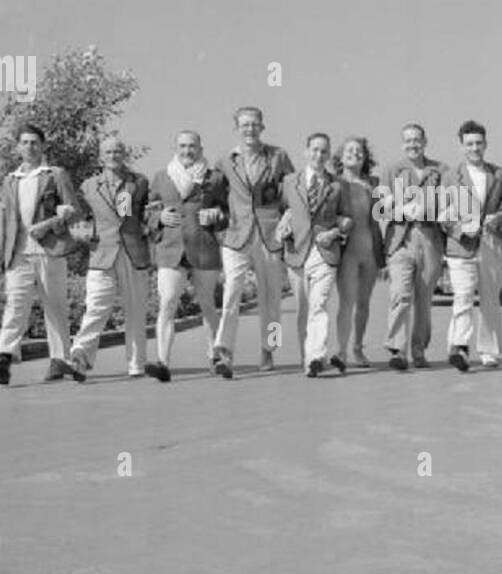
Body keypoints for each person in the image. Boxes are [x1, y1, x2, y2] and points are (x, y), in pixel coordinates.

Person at [0, 122, 79, 386]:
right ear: (17, 148)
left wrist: (48, 224)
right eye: (24, 142)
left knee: (54, 306)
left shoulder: (55, 175)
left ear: (43, 146)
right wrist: (6, 254)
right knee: (16, 303)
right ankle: (3, 358)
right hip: (19, 253)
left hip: (50, 250)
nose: (29, 147)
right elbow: (9, 221)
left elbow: (75, 210)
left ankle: (60, 361)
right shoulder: (9, 180)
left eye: (34, 142)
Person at [213, 107, 295, 378]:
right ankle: (224, 351)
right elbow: (214, 195)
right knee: (231, 293)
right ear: (236, 127)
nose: (250, 129)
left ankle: (268, 350)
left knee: (271, 297)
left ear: (263, 127)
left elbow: (293, 192)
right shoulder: (225, 160)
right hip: (236, 235)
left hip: (269, 234)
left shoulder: (278, 156)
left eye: (255, 124)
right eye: (245, 125)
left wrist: (288, 217)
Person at [144, 130, 229, 382]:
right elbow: (144, 212)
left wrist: (217, 216)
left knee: (206, 303)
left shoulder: (214, 178)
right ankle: (162, 362)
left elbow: (227, 212)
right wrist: (158, 218)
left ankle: (216, 356)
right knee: (167, 302)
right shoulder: (161, 177)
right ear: (175, 148)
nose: (187, 151)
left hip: (203, 247)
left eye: (192, 146)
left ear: (200, 148)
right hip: (170, 249)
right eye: (182, 146)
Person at [66, 136, 153, 379]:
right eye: (109, 152)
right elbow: (77, 216)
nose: (113, 155)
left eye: (118, 151)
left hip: (133, 252)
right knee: (96, 306)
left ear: (124, 154)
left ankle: (136, 364)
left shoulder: (140, 182)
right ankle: (80, 356)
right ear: (100, 157)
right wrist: (81, 230)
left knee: (135, 310)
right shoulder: (88, 186)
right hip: (101, 253)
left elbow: (148, 213)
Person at [275, 133, 352, 378]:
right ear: (306, 152)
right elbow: (282, 209)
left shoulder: (338, 185)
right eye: (315, 150)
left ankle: (316, 356)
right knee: (303, 310)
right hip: (297, 251)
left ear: (329, 155)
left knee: (319, 305)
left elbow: (348, 219)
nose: (319, 155)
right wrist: (284, 223)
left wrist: (335, 232)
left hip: (325, 252)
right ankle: (305, 357)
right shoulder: (289, 181)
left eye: (324, 151)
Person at [440, 120, 502, 371]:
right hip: (461, 247)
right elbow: (442, 215)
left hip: (491, 245)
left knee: (491, 299)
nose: (475, 148)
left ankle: (489, 350)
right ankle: (459, 346)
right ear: (461, 147)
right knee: (463, 296)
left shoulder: (499, 174)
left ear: (486, 144)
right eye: (469, 144)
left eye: (479, 143)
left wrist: (501, 216)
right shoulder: (450, 176)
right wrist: (461, 229)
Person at [378, 123, 446, 370]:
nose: (412, 144)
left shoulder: (439, 170)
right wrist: (400, 208)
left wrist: (431, 207)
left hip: (429, 237)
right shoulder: (392, 170)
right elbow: (379, 206)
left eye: (417, 140)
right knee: (400, 295)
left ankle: (418, 351)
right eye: (407, 140)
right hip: (401, 239)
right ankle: (397, 350)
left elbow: (451, 202)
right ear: (402, 143)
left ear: (425, 141)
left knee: (424, 299)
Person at [333, 136, 385, 368]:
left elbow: (381, 216)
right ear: (341, 157)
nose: (355, 154)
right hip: (347, 253)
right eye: (350, 150)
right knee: (347, 302)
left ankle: (358, 347)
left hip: (370, 252)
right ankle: (341, 351)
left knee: (364, 303)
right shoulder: (334, 183)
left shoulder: (373, 184)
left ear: (365, 158)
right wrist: (338, 220)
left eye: (359, 151)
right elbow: (324, 214)